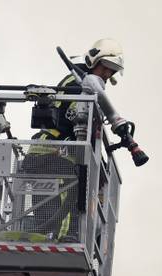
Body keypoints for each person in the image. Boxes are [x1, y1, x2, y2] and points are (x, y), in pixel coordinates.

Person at [21, 39, 132, 241]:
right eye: (106, 68)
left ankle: (46, 235)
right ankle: (64, 240)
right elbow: (73, 115)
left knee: (49, 206)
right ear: (94, 60)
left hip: (48, 153)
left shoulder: (83, 85)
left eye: (112, 72)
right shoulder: (76, 84)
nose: (108, 75)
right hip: (56, 154)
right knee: (68, 202)